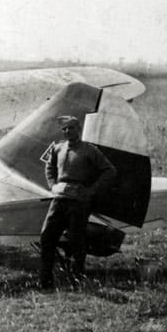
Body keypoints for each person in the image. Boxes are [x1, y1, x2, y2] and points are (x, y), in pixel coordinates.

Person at [39, 115, 117, 289]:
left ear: (78, 129)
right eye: (64, 129)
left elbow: (109, 171)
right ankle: (45, 280)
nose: (67, 131)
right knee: (47, 236)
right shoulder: (57, 149)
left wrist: (92, 191)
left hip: (79, 201)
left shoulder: (90, 150)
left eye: (71, 128)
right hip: (59, 198)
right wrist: (52, 185)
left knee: (77, 240)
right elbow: (49, 167)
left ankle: (76, 279)